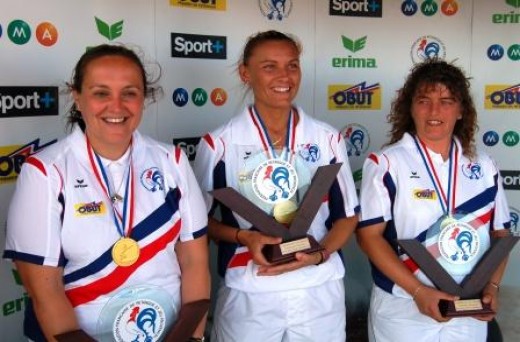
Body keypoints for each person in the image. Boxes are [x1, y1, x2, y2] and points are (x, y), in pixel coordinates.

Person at [3, 44, 210, 342]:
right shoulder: (46, 171)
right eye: (101, 93)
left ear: (144, 98)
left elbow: (194, 262)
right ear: (77, 96)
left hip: (168, 333)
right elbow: (45, 292)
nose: (116, 106)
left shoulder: (172, 161)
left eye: (129, 93)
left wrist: (193, 338)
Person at [193, 30, 359, 341]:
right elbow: (198, 224)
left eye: (292, 65)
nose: (284, 76)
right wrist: (244, 236)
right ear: (246, 73)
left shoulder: (326, 139)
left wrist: (320, 254)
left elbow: (348, 215)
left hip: (318, 290)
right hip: (249, 290)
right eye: (270, 66)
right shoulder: (219, 144)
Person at [356, 58, 511, 342]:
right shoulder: (387, 163)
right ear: (410, 107)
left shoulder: (484, 166)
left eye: (447, 101)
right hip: (403, 307)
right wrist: (418, 290)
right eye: (424, 100)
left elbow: (500, 234)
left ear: (462, 109)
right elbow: (368, 237)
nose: (434, 111)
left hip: (467, 308)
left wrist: (492, 286)